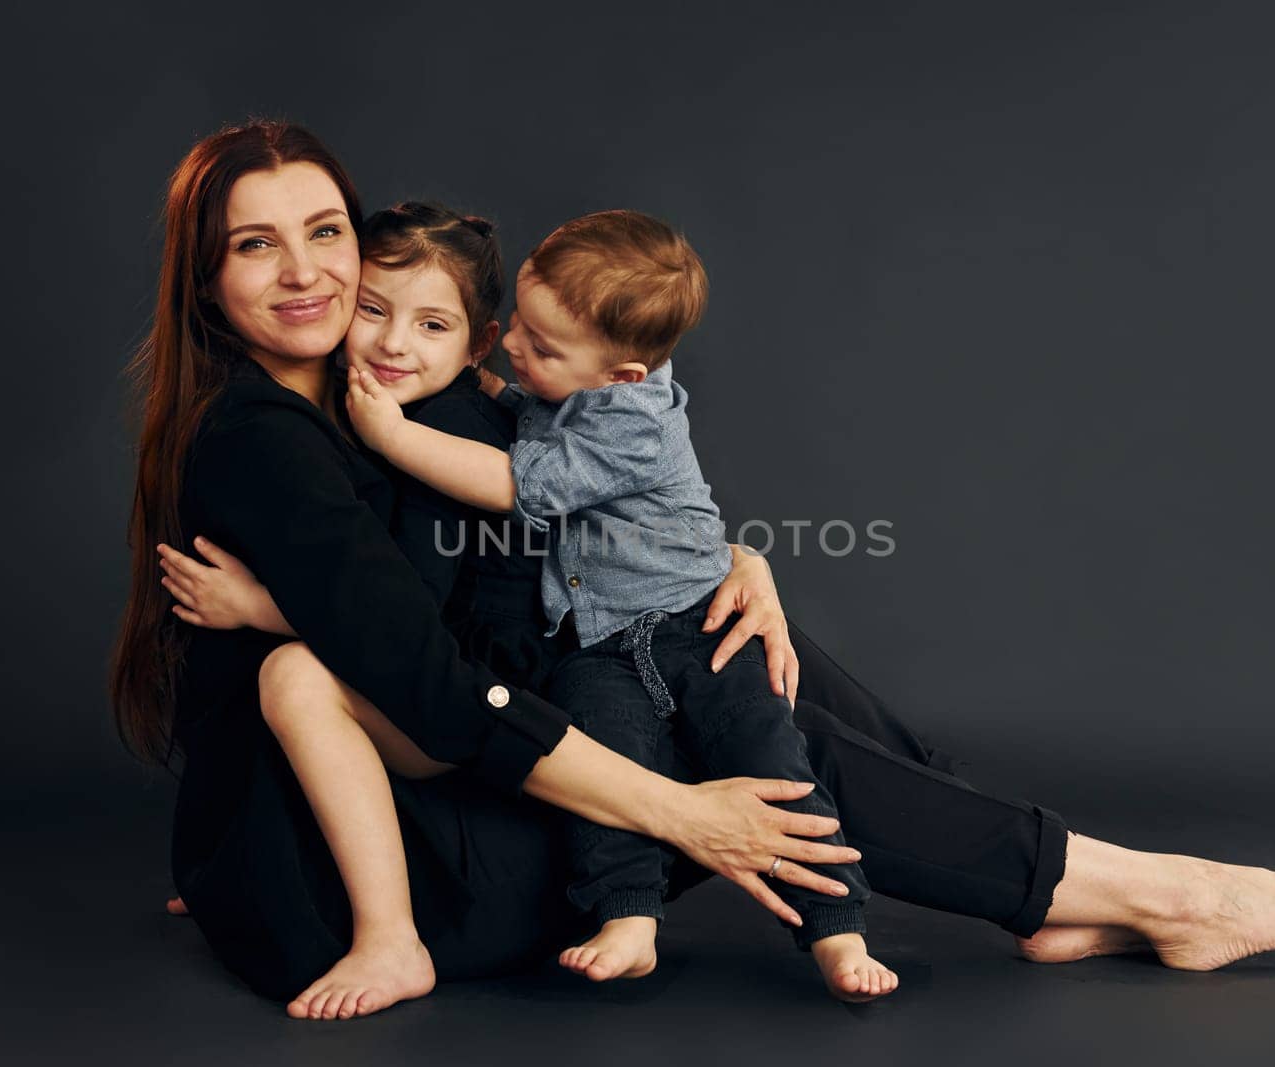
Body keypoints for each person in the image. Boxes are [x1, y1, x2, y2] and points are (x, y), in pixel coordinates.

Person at [121, 119, 1275, 1024]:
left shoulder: (381, 387)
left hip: (368, 816)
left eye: (325, 232)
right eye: (255, 246)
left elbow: (494, 541)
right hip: (405, 870)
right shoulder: (281, 436)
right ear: (207, 272)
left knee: (732, 636)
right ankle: (1157, 892)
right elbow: (426, 677)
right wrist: (684, 812)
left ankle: (1033, 882)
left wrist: (726, 555)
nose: (309, 275)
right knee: (747, 727)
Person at [341, 208, 890, 998]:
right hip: (600, 642)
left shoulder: (633, 423)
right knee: (606, 765)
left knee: (772, 765)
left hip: (694, 629)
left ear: (619, 378)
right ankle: (631, 917)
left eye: (541, 346)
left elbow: (518, 484)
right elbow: (524, 407)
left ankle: (838, 930)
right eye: (518, 327)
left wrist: (391, 435)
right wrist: (489, 376)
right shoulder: (572, 383)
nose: (516, 347)